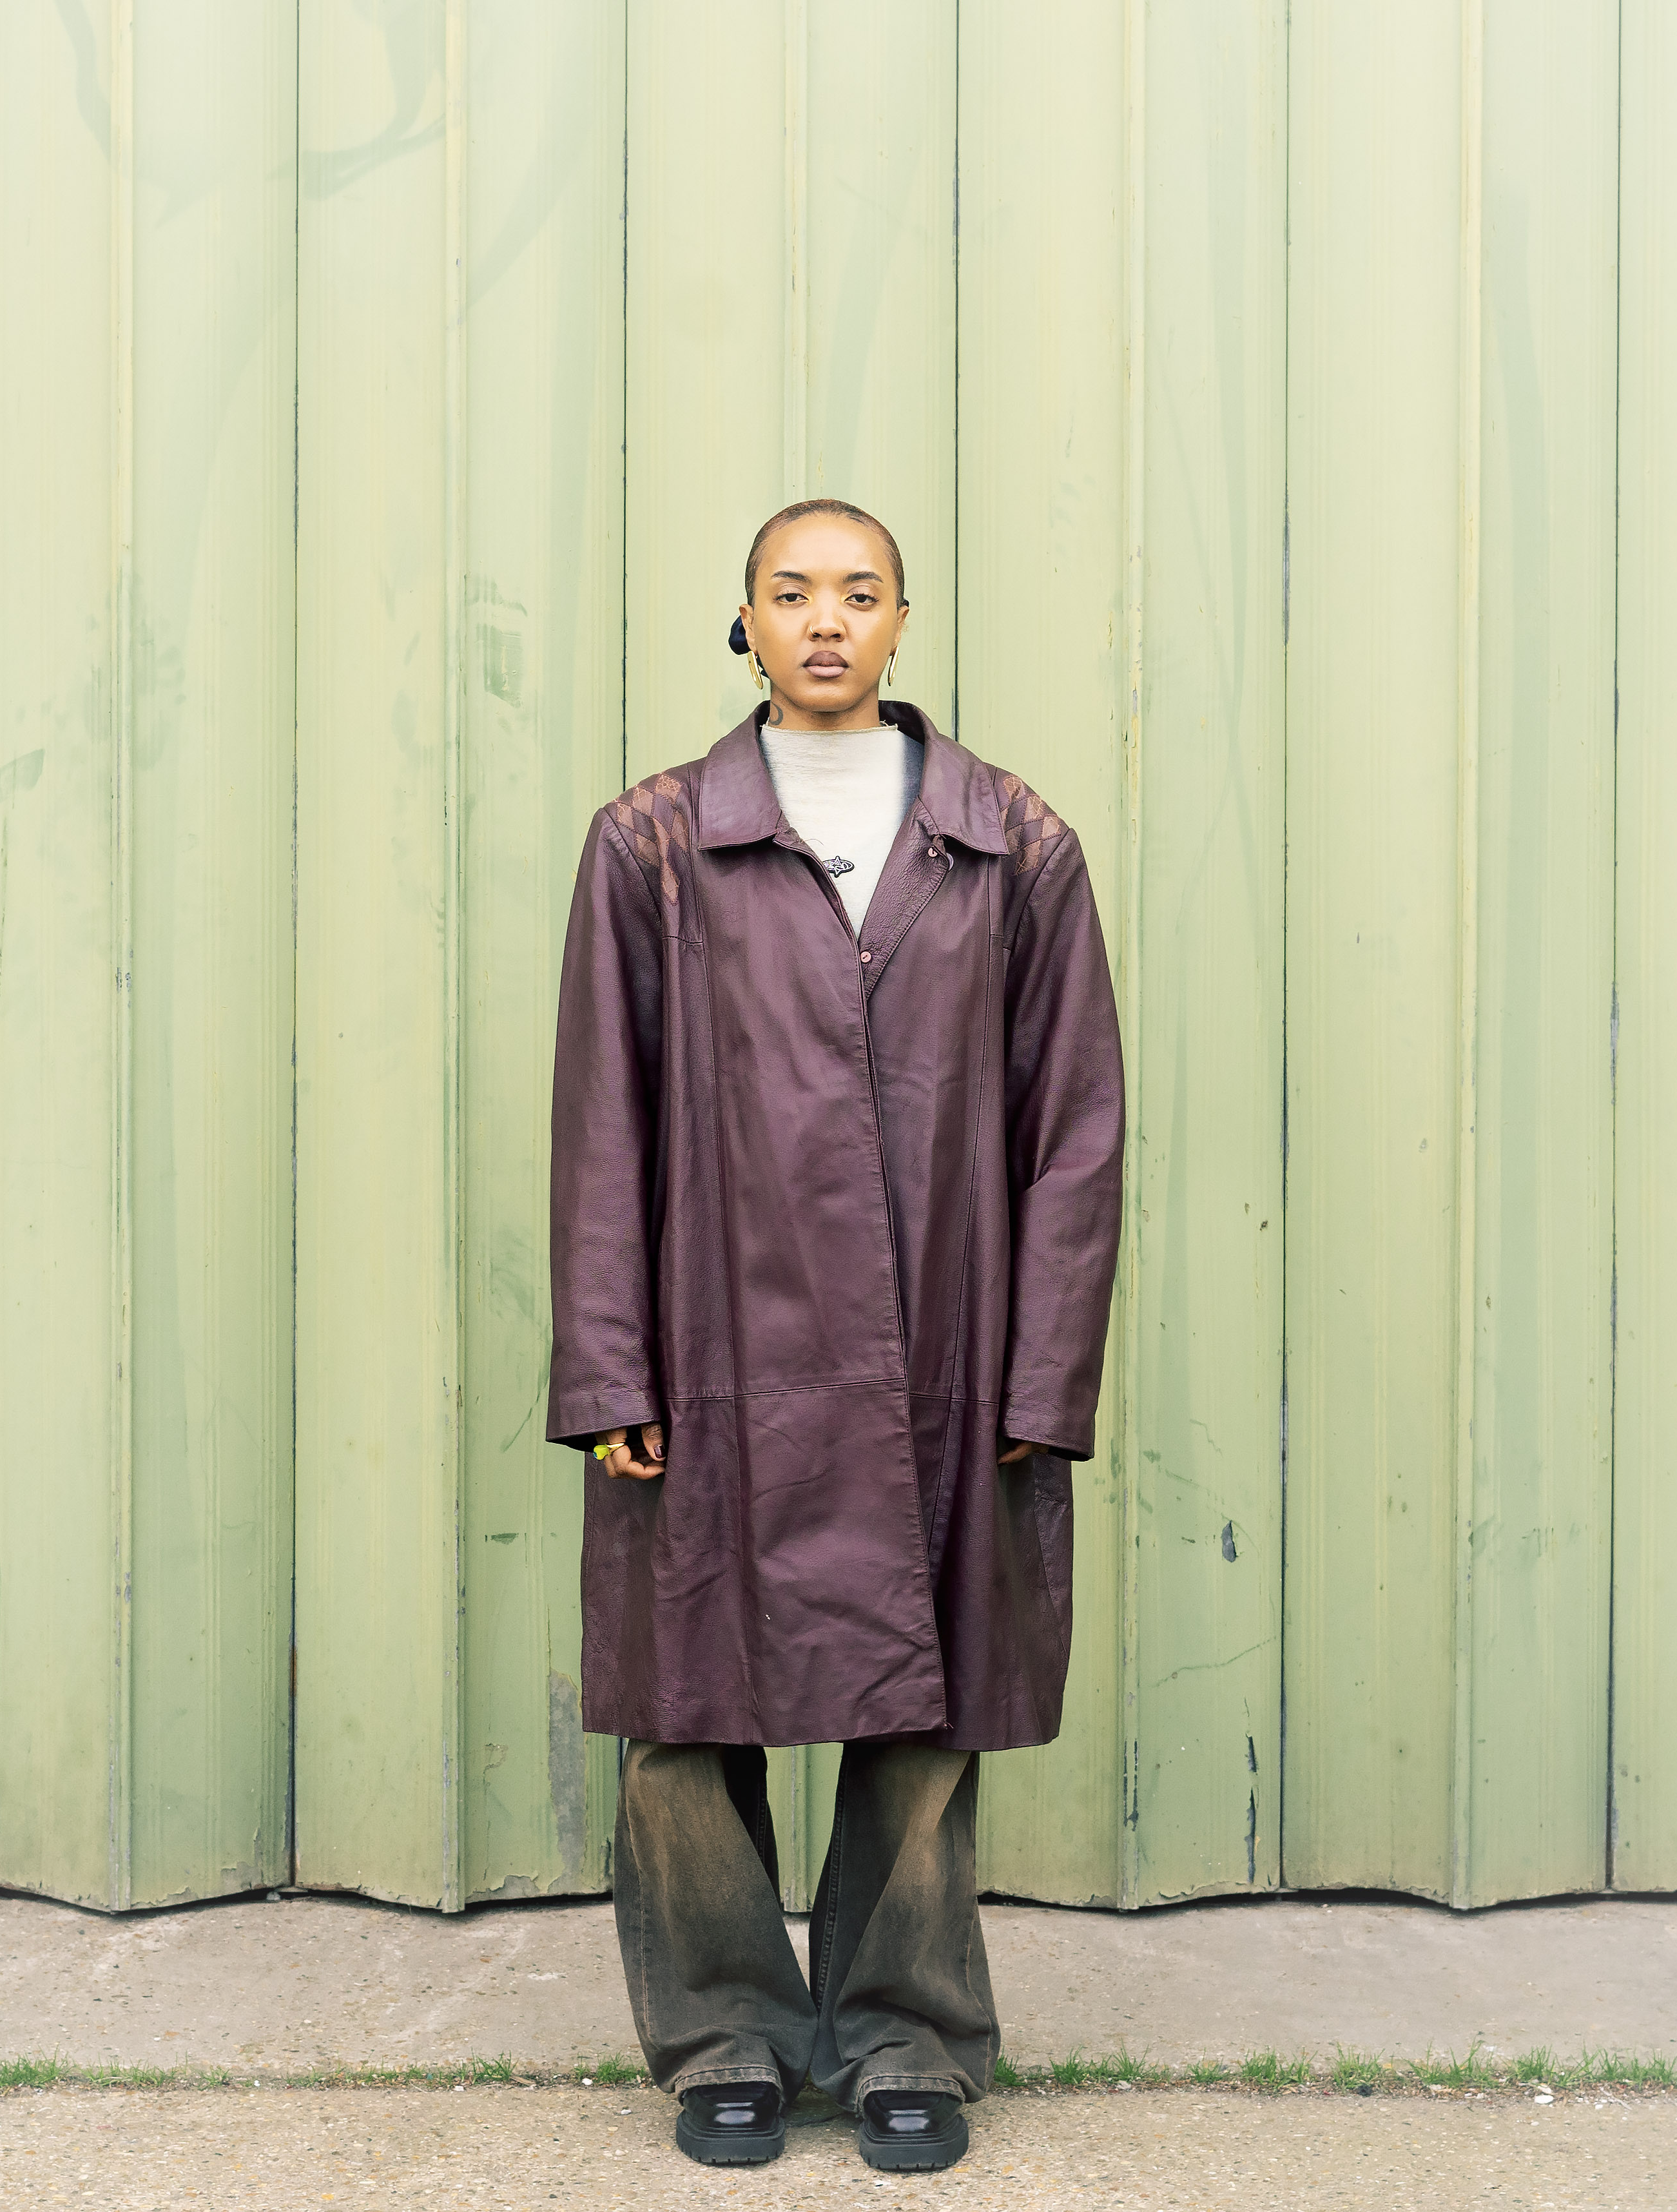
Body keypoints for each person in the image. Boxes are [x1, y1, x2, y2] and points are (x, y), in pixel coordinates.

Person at [547, 498, 1126, 2172]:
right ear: (742, 617)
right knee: (685, 1711)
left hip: (944, 1344)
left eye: (857, 594)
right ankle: (722, 2026)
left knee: (923, 1707)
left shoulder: (1009, 844)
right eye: (791, 593)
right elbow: (603, 1119)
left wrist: (1043, 1372)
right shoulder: (654, 845)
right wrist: (605, 1370)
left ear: (901, 620)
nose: (824, 621)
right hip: (710, 1338)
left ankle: (904, 2037)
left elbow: (1071, 1129)